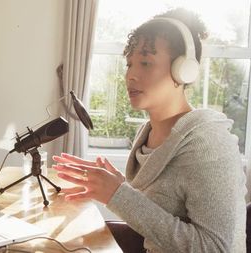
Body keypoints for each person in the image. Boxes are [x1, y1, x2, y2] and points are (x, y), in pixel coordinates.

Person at [52, 8, 246, 252]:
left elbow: (218, 248)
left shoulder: (208, 144)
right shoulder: (149, 134)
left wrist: (119, 195)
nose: (130, 75)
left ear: (183, 70)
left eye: (145, 63)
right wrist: (116, 187)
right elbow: (161, 214)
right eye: (129, 64)